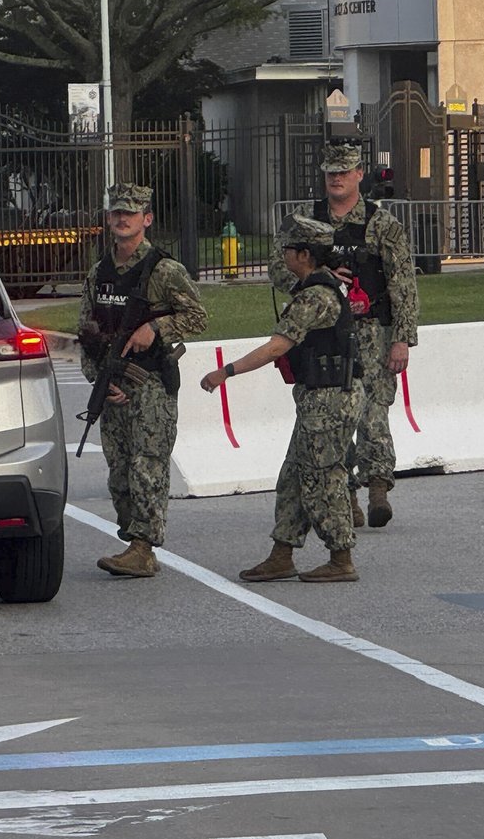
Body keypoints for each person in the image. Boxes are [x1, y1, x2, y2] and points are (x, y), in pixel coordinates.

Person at [203, 214, 364, 582]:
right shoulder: (316, 289)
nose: (284, 257)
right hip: (317, 397)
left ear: (304, 255)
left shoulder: (316, 297)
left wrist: (226, 372)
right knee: (294, 475)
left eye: (289, 250)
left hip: (329, 399)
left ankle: (341, 558)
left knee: (324, 477)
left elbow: (278, 346)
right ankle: (282, 553)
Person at [272, 141, 419, 529]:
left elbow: (402, 282)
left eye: (344, 172)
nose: (337, 178)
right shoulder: (304, 220)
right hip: (321, 333)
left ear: (358, 175)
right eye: (330, 172)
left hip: (371, 331)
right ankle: (345, 493)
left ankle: (377, 489)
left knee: (373, 411)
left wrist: (402, 338)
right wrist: (317, 278)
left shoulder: (381, 223)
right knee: (331, 413)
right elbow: (278, 270)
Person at [77, 183, 208, 578]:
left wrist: (157, 328)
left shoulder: (164, 270)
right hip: (113, 382)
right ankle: (133, 535)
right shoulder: (99, 271)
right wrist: (99, 379)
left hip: (150, 384)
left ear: (146, 220)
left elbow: (198, 317)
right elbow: (86, 330)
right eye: (116, 212)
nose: (122, 219)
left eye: (130, 214)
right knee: (119, 473)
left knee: (147, 466)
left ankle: (143, 548)